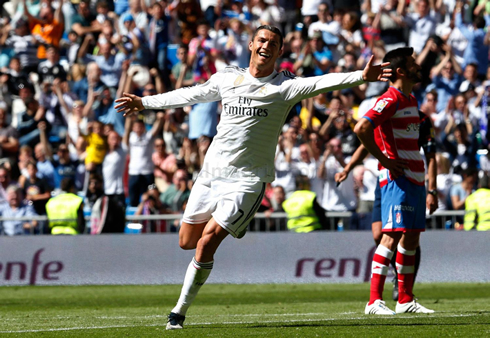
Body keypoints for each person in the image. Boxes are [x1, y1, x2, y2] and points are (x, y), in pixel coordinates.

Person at [115, 24, 391, 330]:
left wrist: (361, 76)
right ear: (251, 44)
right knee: (186, 242)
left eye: (273, 43)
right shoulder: (227, 77)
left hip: (248, 179)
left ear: (280, 51)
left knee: (206, 244)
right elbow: (190, 94)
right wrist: (145, 102)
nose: (266, 46)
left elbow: (322, 83)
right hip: (211, 174)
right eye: (262, 40)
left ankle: (177, 313)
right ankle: (229, 225)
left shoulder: (284, 86)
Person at [353, 47, 435, 315]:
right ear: (401, 71)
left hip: (415, 178)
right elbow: (361, 128)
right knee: (390, 236)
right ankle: (374, 301)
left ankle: (405, 299)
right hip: (396, 178)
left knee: (411, 238)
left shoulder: (410, 100)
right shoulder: (390, 99)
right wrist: (386, 161)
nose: (417, 65)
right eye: (412, 62)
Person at [337, 108, 438, 300]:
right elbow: (367, 143)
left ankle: (403, 287)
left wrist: (432, 190)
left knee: (407, 237)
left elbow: (431, 156)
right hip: (385, 179)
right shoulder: (389, 113)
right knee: (379, 235)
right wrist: (348, 168)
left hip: (407, 178)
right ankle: (395, 281)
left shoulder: (422, 119)